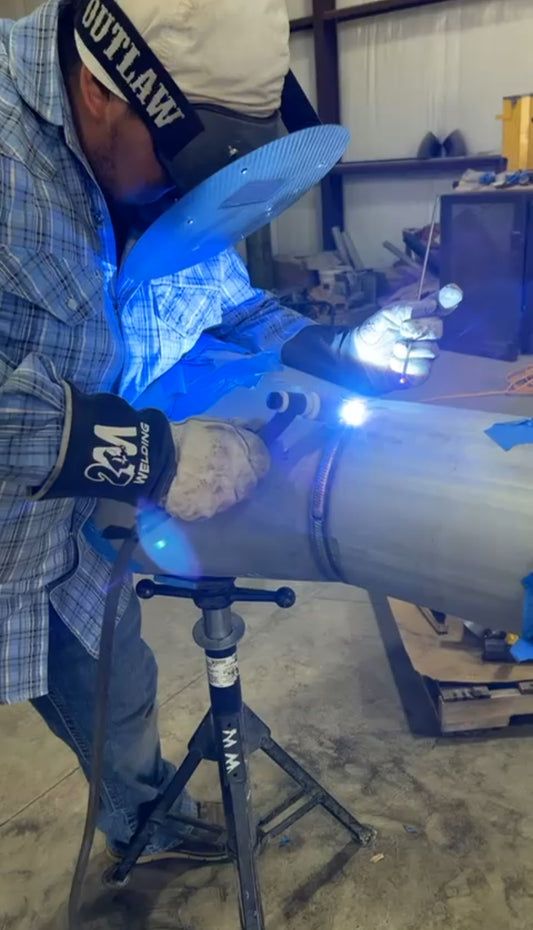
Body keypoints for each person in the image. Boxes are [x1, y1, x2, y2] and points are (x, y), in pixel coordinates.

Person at [0, 0, 448, 863]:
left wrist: (333, 345)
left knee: (117, 684)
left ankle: (143, 820)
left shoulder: (159, 171)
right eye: (188, 161)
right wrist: (144, 452)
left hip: (60, 531)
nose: (193, 191)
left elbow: (230, 304)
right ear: (99, 89)